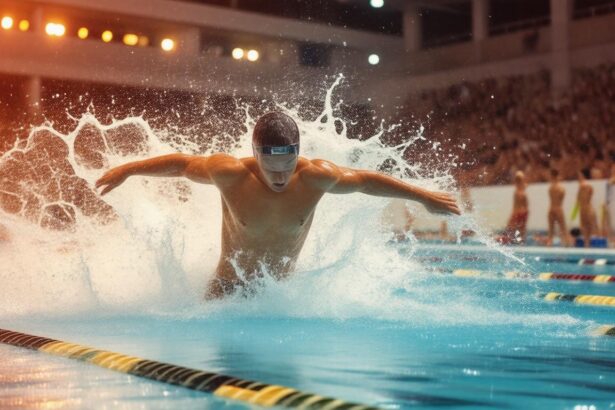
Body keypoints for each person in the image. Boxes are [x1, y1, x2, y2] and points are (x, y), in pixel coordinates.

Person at [96, 112, 460, 298]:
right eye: (272, 168)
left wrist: (423, 196)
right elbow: (182, 164)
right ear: (256, 154)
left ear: (297, 154)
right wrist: (129, 170)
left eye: (288, 166)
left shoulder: (317, 177)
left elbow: (365, 180)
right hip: (226, 289)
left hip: (278, 294)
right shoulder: (230, 174)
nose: (281, 176)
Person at [503, 171, 528, 244]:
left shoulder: (519, 190)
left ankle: (518, 240)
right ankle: (519, 241)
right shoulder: (520, 190)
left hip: (520, 212)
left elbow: (516, 205)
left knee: (516, 228)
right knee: (516, 228)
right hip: (522, 212)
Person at [547, 169, 569, 246]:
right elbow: (561, 199)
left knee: (551, 230)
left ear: (552, 176)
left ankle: (549, 244)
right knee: (563, 228)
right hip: (558, 208)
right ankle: (567, 244)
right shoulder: (561, 188)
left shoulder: (551, 187)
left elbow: (551, 198)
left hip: (551, 208)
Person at [577, 168, 598, 247]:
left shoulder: (584, 185)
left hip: (586, 208)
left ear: (582, 176)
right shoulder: (585, 186)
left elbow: (581, 199)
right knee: (588, 226)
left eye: (579, 176)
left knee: (587, 226)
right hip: (587, 208)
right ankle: (587, 243)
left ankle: (587, 243)